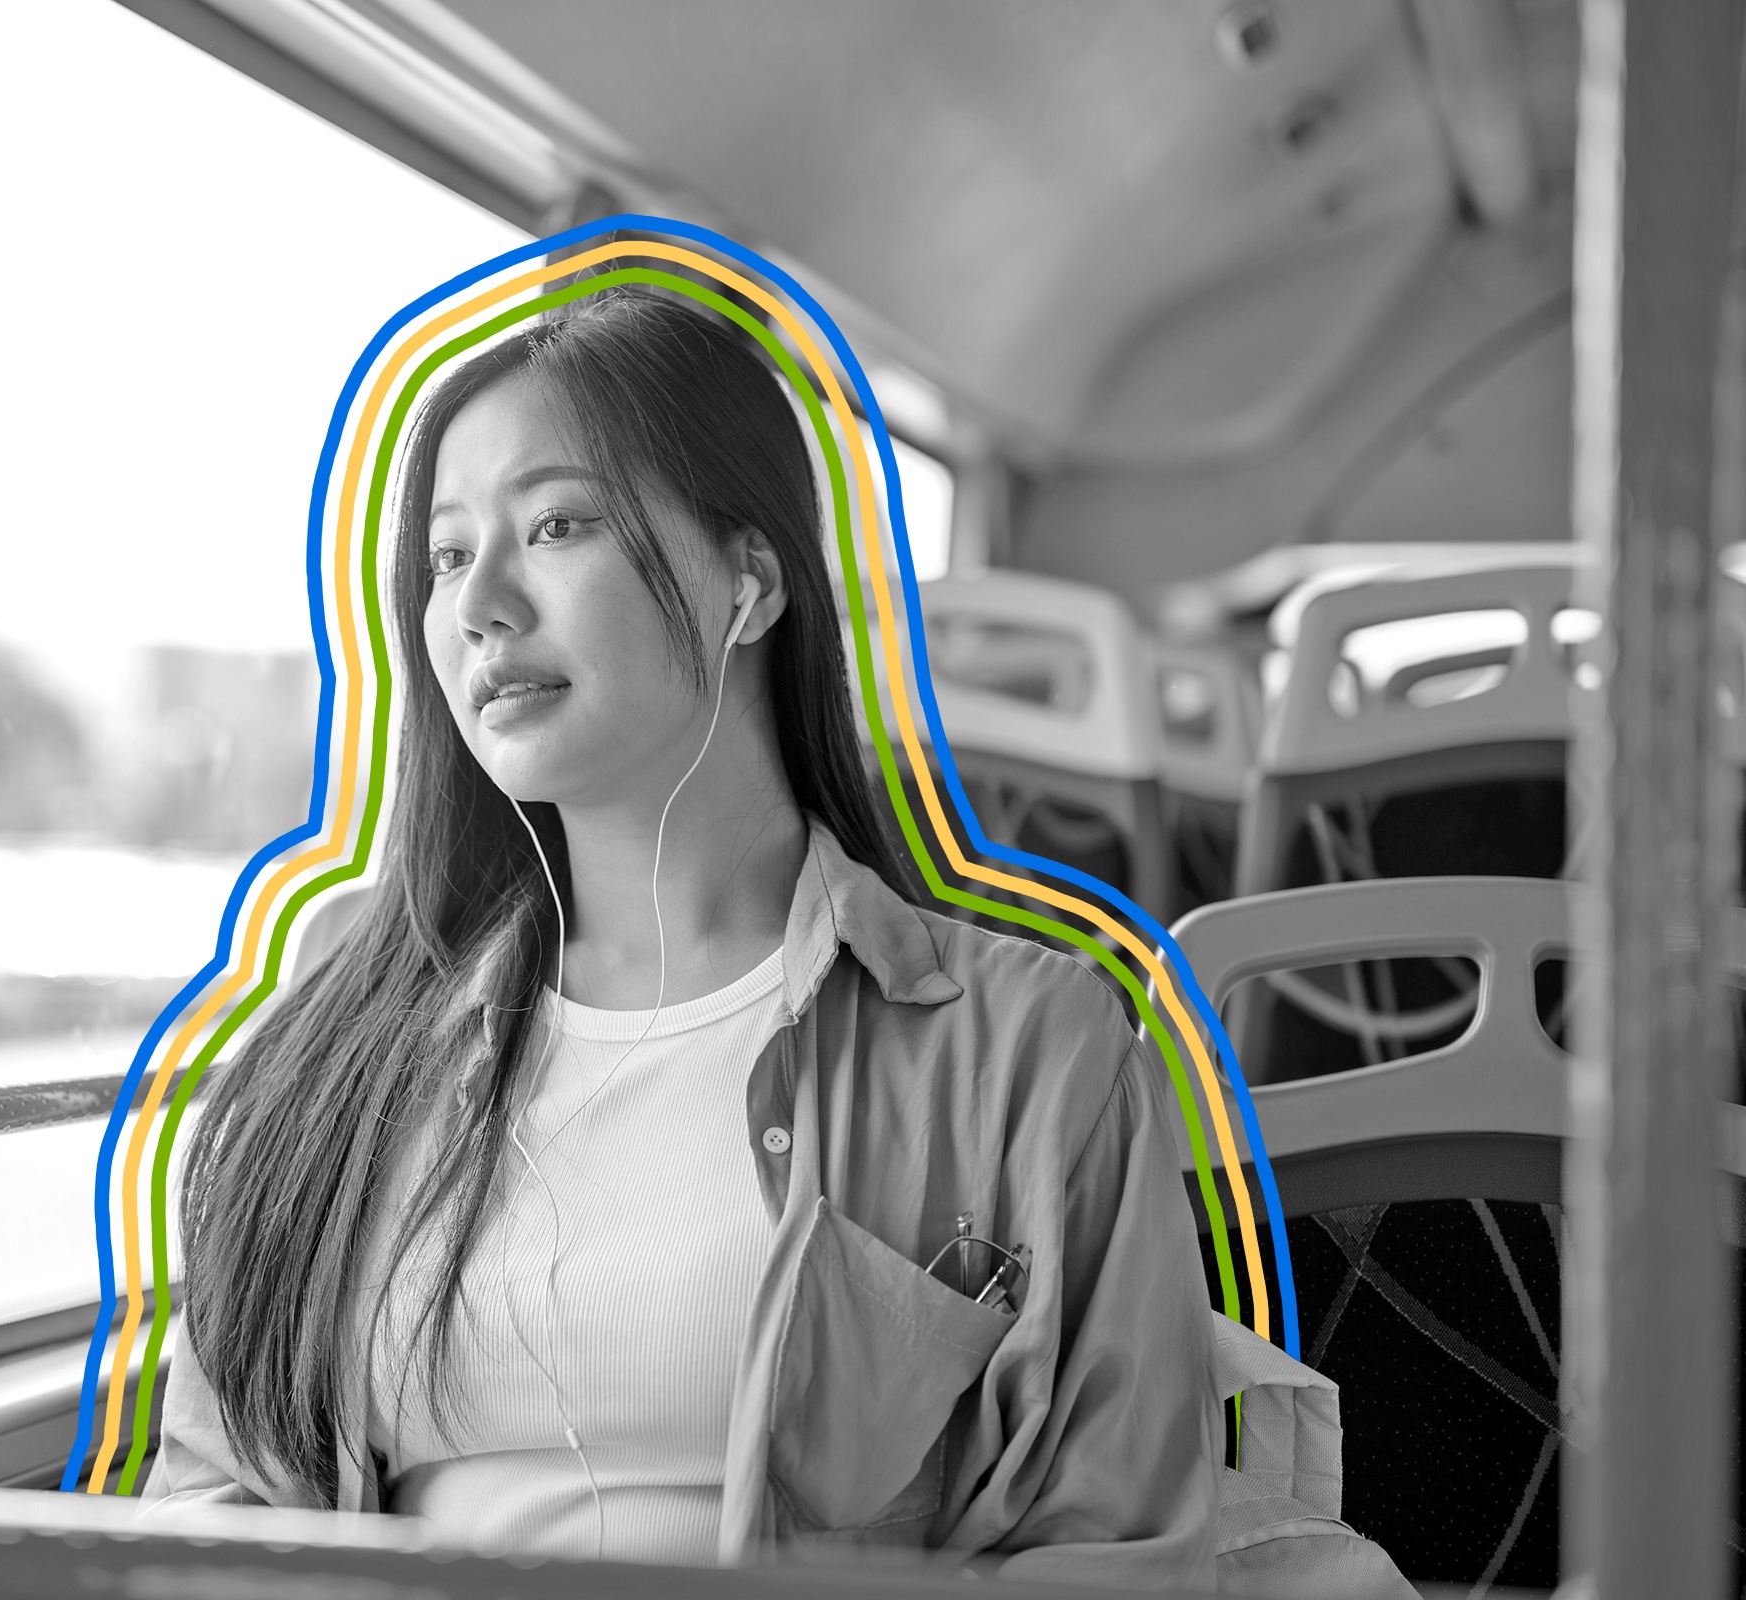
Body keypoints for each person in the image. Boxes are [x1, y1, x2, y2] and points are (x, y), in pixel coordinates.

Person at [138, 285, 1225, 1586]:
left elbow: (1111, 1555)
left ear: (750, 579)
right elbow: (213, 1492)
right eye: (443, 556)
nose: (479, 603)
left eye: (556, 525)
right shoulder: (349, 1036)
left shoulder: (1030, 1045)